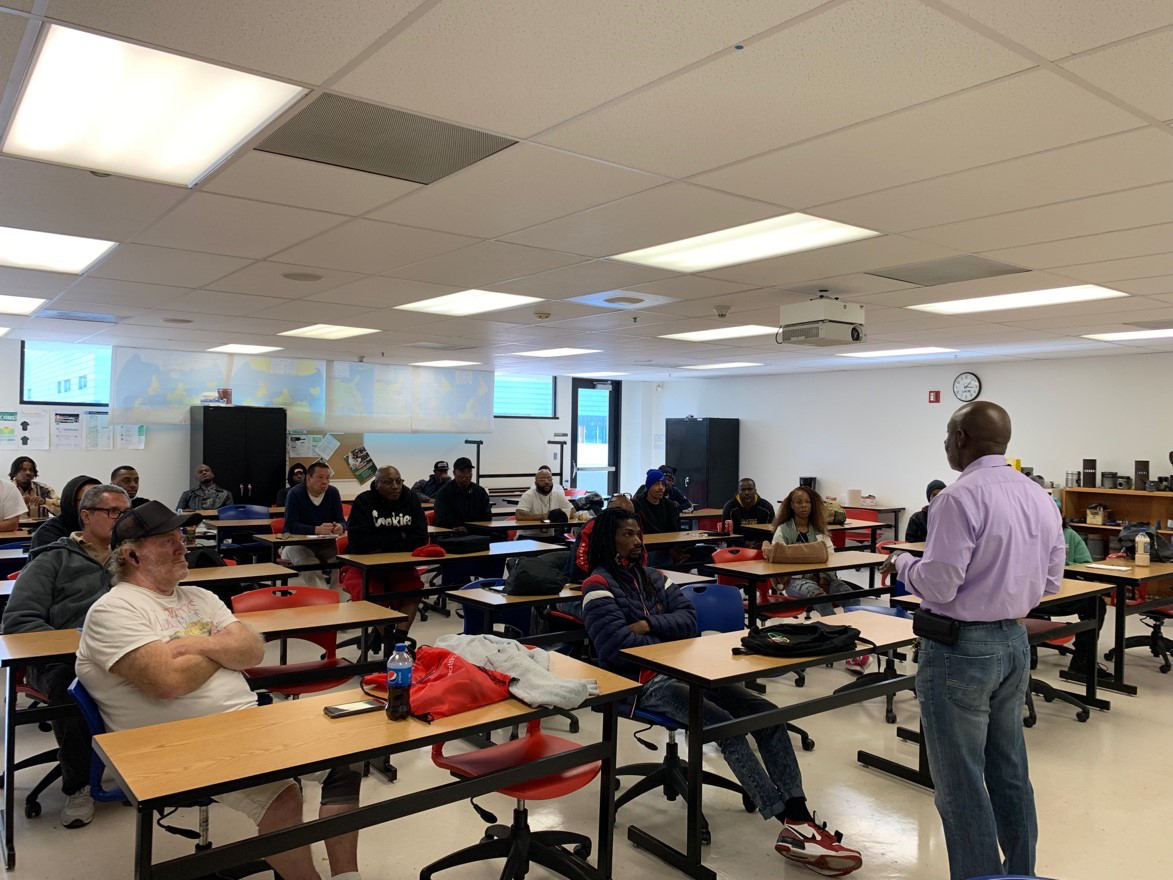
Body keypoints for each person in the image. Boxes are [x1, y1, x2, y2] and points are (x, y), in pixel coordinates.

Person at [76, 501, 363, 880]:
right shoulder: (113, 611)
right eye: (168, 541)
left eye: (183, 538)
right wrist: (222, 649)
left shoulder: (200, 596)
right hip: (172, 744)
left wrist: (191, 647)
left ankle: (347, 877)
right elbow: (168, 682)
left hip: (245, 724)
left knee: (347, 759)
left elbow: (253, 649)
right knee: (283, 797)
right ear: (132, 555)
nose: (183, 548)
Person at [580, 508, 862, 876]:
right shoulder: (596, 586)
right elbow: (615, 647)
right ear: (608, 540)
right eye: (627, 535)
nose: (637, 541)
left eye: (638, 534)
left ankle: (799, 813)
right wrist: (665, 631)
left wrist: (648, 624)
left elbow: (690, 621)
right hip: (642, 683)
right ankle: (789, 824)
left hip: (690, 669)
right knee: (724, 727)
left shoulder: (654, 577)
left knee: (767, 714)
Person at [880, 402, 1063, 880]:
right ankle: (1020, 872)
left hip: (960, 651)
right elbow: (1051, 582)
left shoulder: (957, 499)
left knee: (959, 780)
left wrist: (901, 565)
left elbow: (939, 585)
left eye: (946, 433)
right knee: (1008, 769)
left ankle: (979, 876)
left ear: (961, 437)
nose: (944, 443)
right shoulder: (1040, 496)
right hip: (1014, 645)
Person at [1, 483, 128, 828]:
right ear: (86, 516)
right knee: (72, 686)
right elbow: (17, 621)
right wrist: (76, 645)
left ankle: (143, 770)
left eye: (125, 512)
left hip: (122, 652)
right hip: (57, 659)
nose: (121, 519)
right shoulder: (53, 559)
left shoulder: (130, 560)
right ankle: (79, 785)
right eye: (112, 511)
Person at [345, 466, 427, 634]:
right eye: (388, 482)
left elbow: (420, 538)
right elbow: (359, 544)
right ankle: (387, 639)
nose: (395, 486)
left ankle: (399, 641)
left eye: (399, 481)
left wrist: (380, 543)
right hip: (364, 566)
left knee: (413, 590)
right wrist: (399, 536)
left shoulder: (410, 498)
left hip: (400, 565)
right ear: (377, 484)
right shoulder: (364, 501)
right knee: (369, 594)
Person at [764, 486, 860, 620]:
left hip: (825, 578)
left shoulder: (819, 529)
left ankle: (854, 626)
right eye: (799, 502)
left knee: (851, 597)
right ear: (791, 505)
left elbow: (830, 555)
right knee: (819, 596)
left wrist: (825, 578)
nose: (804, 505)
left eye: (807, 502)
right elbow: (778, 558)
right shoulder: (783, 530)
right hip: (795, 580)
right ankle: (834, 628)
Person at [282, 461, 345, 591]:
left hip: (324, 543)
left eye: (327, 478)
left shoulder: (333, 492)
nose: (325, 482)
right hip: (296, 544)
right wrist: (315, 529)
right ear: (308, 478)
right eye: (320, 477)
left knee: (343, 557)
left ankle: (336, 594)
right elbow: (290, 526)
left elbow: (342, 520)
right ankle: (323, 596)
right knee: (308, 561)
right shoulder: (295, 493)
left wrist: (340, 527)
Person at [565, 494, 635, 582]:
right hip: (590, 578)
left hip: (621, 579)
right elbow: (579, 565)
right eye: (622, 515)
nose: (628, 520)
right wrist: (602, 577)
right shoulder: (593, 527)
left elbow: (640, 559)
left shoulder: (633, 528)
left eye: (631, 515)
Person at [29, 475, 99, 550]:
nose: (96, 505)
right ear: (71, 502)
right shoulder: (48, 533)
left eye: (99, 500)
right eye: (88, 500)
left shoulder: (105, 527)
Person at [433, 457, 490, 528]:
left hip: (477, 532)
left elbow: (487, 517)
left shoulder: (480, 492)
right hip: (452, 534)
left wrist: (471, 529)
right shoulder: (444, 493)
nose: (466, 475)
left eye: (469, 471)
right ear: (454, 473)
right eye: (462, 471)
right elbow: (442, 520)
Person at [515, 469, 588, 523]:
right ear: (535, 483)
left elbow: (571, 511)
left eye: (549, 479)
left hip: (552, 535)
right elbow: (519, 514)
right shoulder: (528, 495)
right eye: (542, 480)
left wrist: (579, 509)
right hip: (530, 536)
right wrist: (544, 516)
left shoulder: (557, 495)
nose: (547, 482)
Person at [722, 478, 775, 542]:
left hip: (761, 546)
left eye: (750, 489)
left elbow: (771, 533)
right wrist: (744, 543)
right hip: (737, 547)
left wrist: (760, 544)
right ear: (738, 492)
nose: (746, 493)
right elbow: (726, 534)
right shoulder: (729, 507)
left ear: (755, 490)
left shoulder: (766, 508)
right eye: (743, 490)